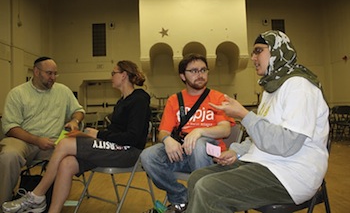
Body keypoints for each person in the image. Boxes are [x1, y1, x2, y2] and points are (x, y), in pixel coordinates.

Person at [185, 30, 330, 212]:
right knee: (197, 178)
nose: (253, 58)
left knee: (208, 188)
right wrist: (236, 152)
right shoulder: (271, 89)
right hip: (266, 163)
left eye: (258, 51)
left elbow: (287, 145)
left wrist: (244, 116)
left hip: (292, 173)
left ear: (277, 51)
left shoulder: (299, 86)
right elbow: (260, 136)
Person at [2, 60, 151, 213]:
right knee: (67, 164)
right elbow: (114, 133)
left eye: (113, 73)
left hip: (128, 152)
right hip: (115, 148)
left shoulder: (139, 99)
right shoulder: (122, 101)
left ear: (124, 75)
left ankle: (36, 196)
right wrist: (86, 135)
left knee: (65, 143)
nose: (111, 76)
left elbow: (132, 137)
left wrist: (98, 134)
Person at [141, 53, 234, 213]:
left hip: (212, 154)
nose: (200, 74)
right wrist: (167, 140)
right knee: (147, 156)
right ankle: (181, 199)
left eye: (203, 70)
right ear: (183, 76)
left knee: (199, 144)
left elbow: (225, 129)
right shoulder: (174, 100)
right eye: (194, 71)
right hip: (184, 153)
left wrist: (199, 131)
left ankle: (203, 203)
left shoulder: (217, 98)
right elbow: (163, 131)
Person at [0, 57, 85, 209]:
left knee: (68, 160)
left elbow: (78, 111)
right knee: (8, 157)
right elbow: (11, 127)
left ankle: (51, 205)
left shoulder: (63, 91)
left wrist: (74, 121)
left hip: (53, 143)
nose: (53, 77)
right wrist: (36, 140)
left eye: (55, 74)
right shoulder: (17, 93)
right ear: (36, 72)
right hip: (24, 140)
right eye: (49, 73)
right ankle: (4, 205)